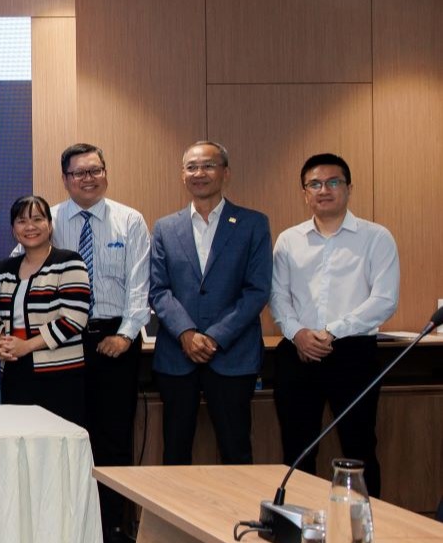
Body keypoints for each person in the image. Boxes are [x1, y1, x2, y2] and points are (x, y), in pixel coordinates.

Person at [271, 153, 398, 496]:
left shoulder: (376, 237)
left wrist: (332, 331)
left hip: (353, 353)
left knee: (359, 447)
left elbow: (384, 299)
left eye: (333, 182)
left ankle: (366, 529)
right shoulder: (288, 240)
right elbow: (278, 298)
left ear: (348, 188)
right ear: (304, 193)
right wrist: (298, 333)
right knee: (298, 451)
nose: (323, 190)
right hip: (298, 353)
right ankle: (298, 526)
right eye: (314, 184)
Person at [45, 143, 150, 542]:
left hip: (113, 341)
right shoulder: (48, 219)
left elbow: (140, 285)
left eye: (94, 171)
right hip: (60, 342)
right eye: (78, 173)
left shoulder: (130, 220)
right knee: (69, 438)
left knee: (114, 440)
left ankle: (113, 529)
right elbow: (22, 269)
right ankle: (70, 528)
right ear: (65, 179)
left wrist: (125, 335)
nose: (87, 179)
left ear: (105, 173)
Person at [148, 142, 272, 466]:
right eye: (191, 167)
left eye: (208, 165)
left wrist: (215, 336)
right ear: (182, 175)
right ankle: (173, 518)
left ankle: (237, 518)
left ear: (225, 173)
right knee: (175, 450)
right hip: (177, 354)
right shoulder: (165, 227)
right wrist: (187, 333)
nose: (199, 173)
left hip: (233, 355)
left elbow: (257, 290)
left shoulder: (253, 224)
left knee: (236, 449)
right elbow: (159, 289)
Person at [0, 195, 92, 425]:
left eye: (37, 219)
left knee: (59, 443)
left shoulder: (69, 262)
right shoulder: (4, 269)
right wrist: (1, 344)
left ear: (49, 224)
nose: (30, 227)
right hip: (15, 370)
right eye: (21, 221)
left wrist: (26, 346)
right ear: (13, 229)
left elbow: (74, 319)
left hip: (59, 373)